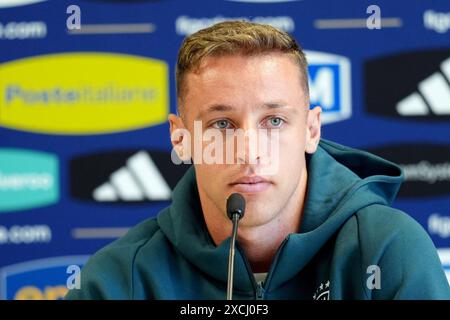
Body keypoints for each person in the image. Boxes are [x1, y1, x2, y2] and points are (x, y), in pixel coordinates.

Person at [66, 20, 450, 300]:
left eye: (274, 121)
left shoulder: (387, 249)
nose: (249, 150)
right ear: (180, 139)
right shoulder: (118, 281)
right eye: (222, 124)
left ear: (311, 130)